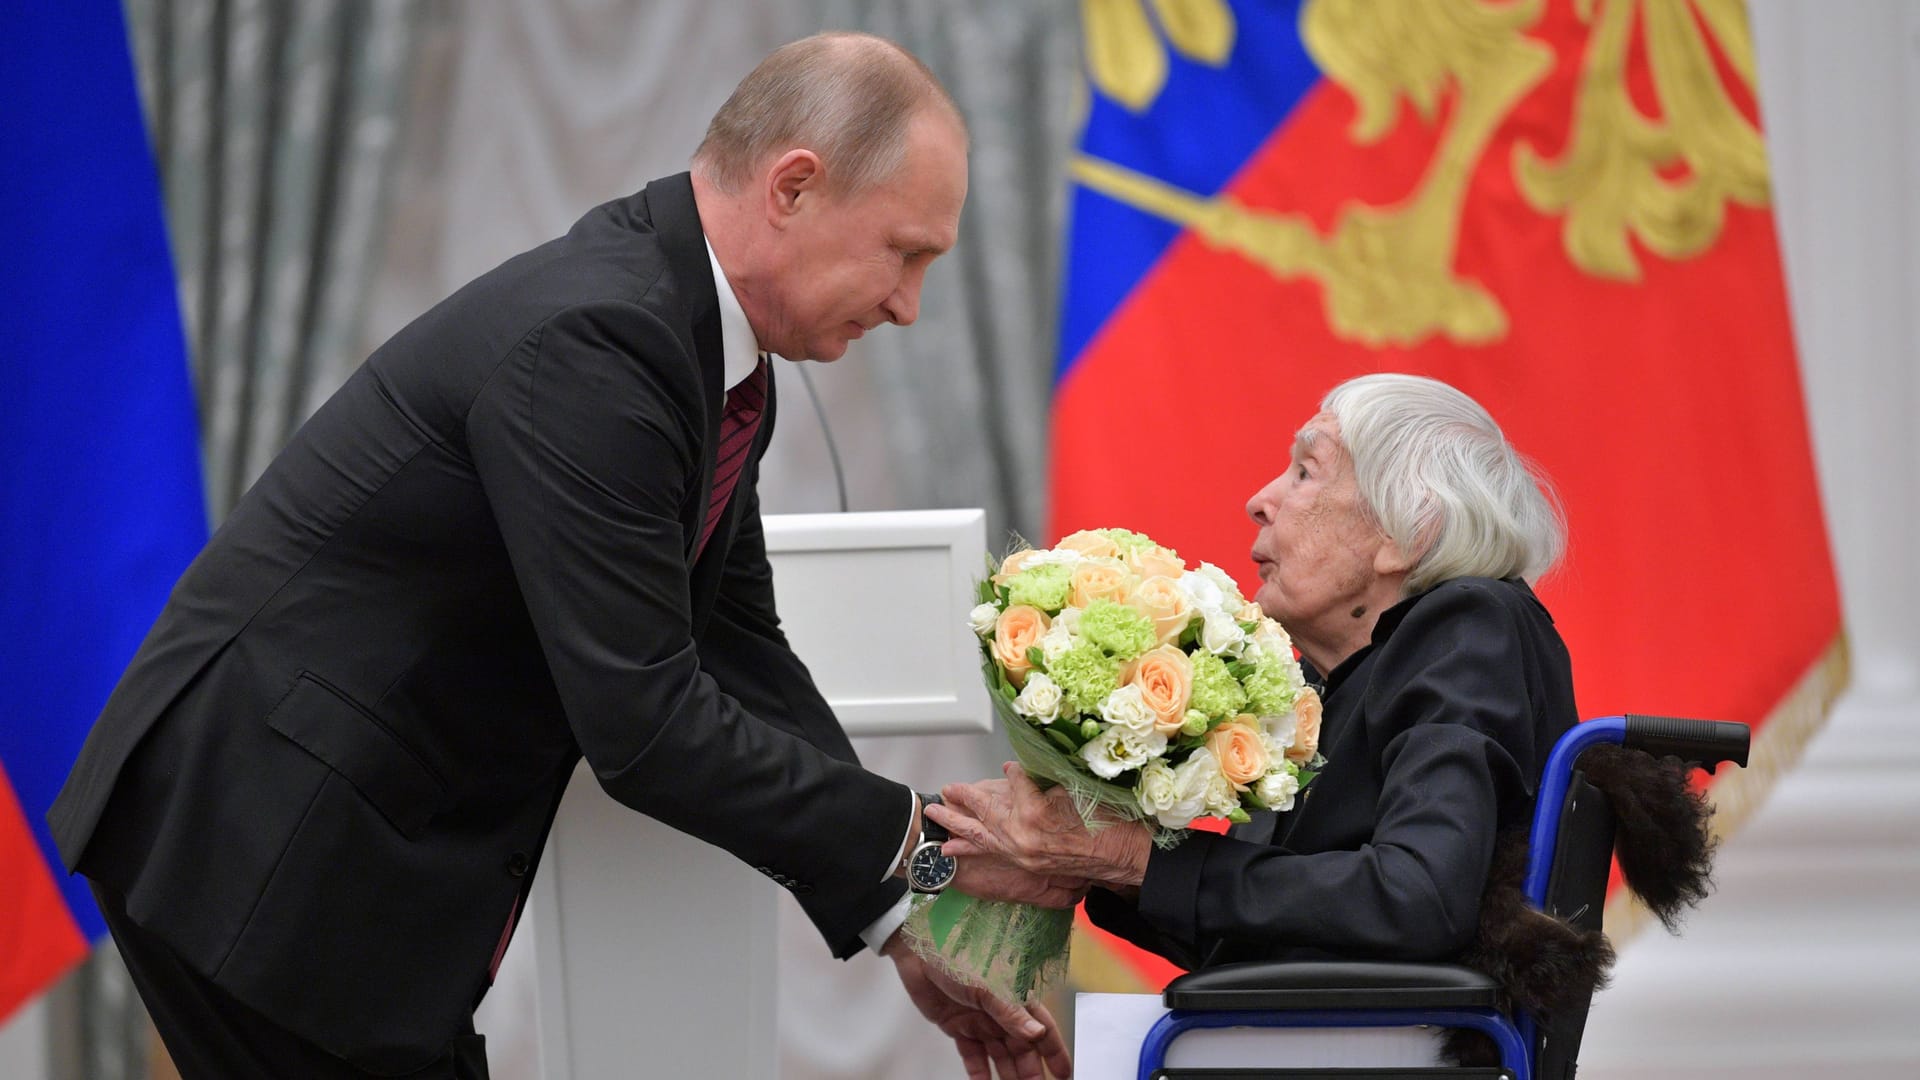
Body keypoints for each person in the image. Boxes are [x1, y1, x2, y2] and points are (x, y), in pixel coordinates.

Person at [48, 32, 1068, 1080]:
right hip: (263, 841)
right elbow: (648, 725)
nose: (908, 304)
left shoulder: (700, 350)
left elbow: (737, 648)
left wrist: (905, 909)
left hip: (330, 851)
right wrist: (919, 847)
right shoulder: (601, 342)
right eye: (905, 252)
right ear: (794, 188)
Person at [931, 372, 1578, 979]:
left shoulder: (1471, 623)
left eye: (1305, 470)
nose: (1259, 500)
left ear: (1410, 530)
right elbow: (1274, 931)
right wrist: (1082, 859)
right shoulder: (1334, 680)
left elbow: (1417, 899)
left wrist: (1136, 858)